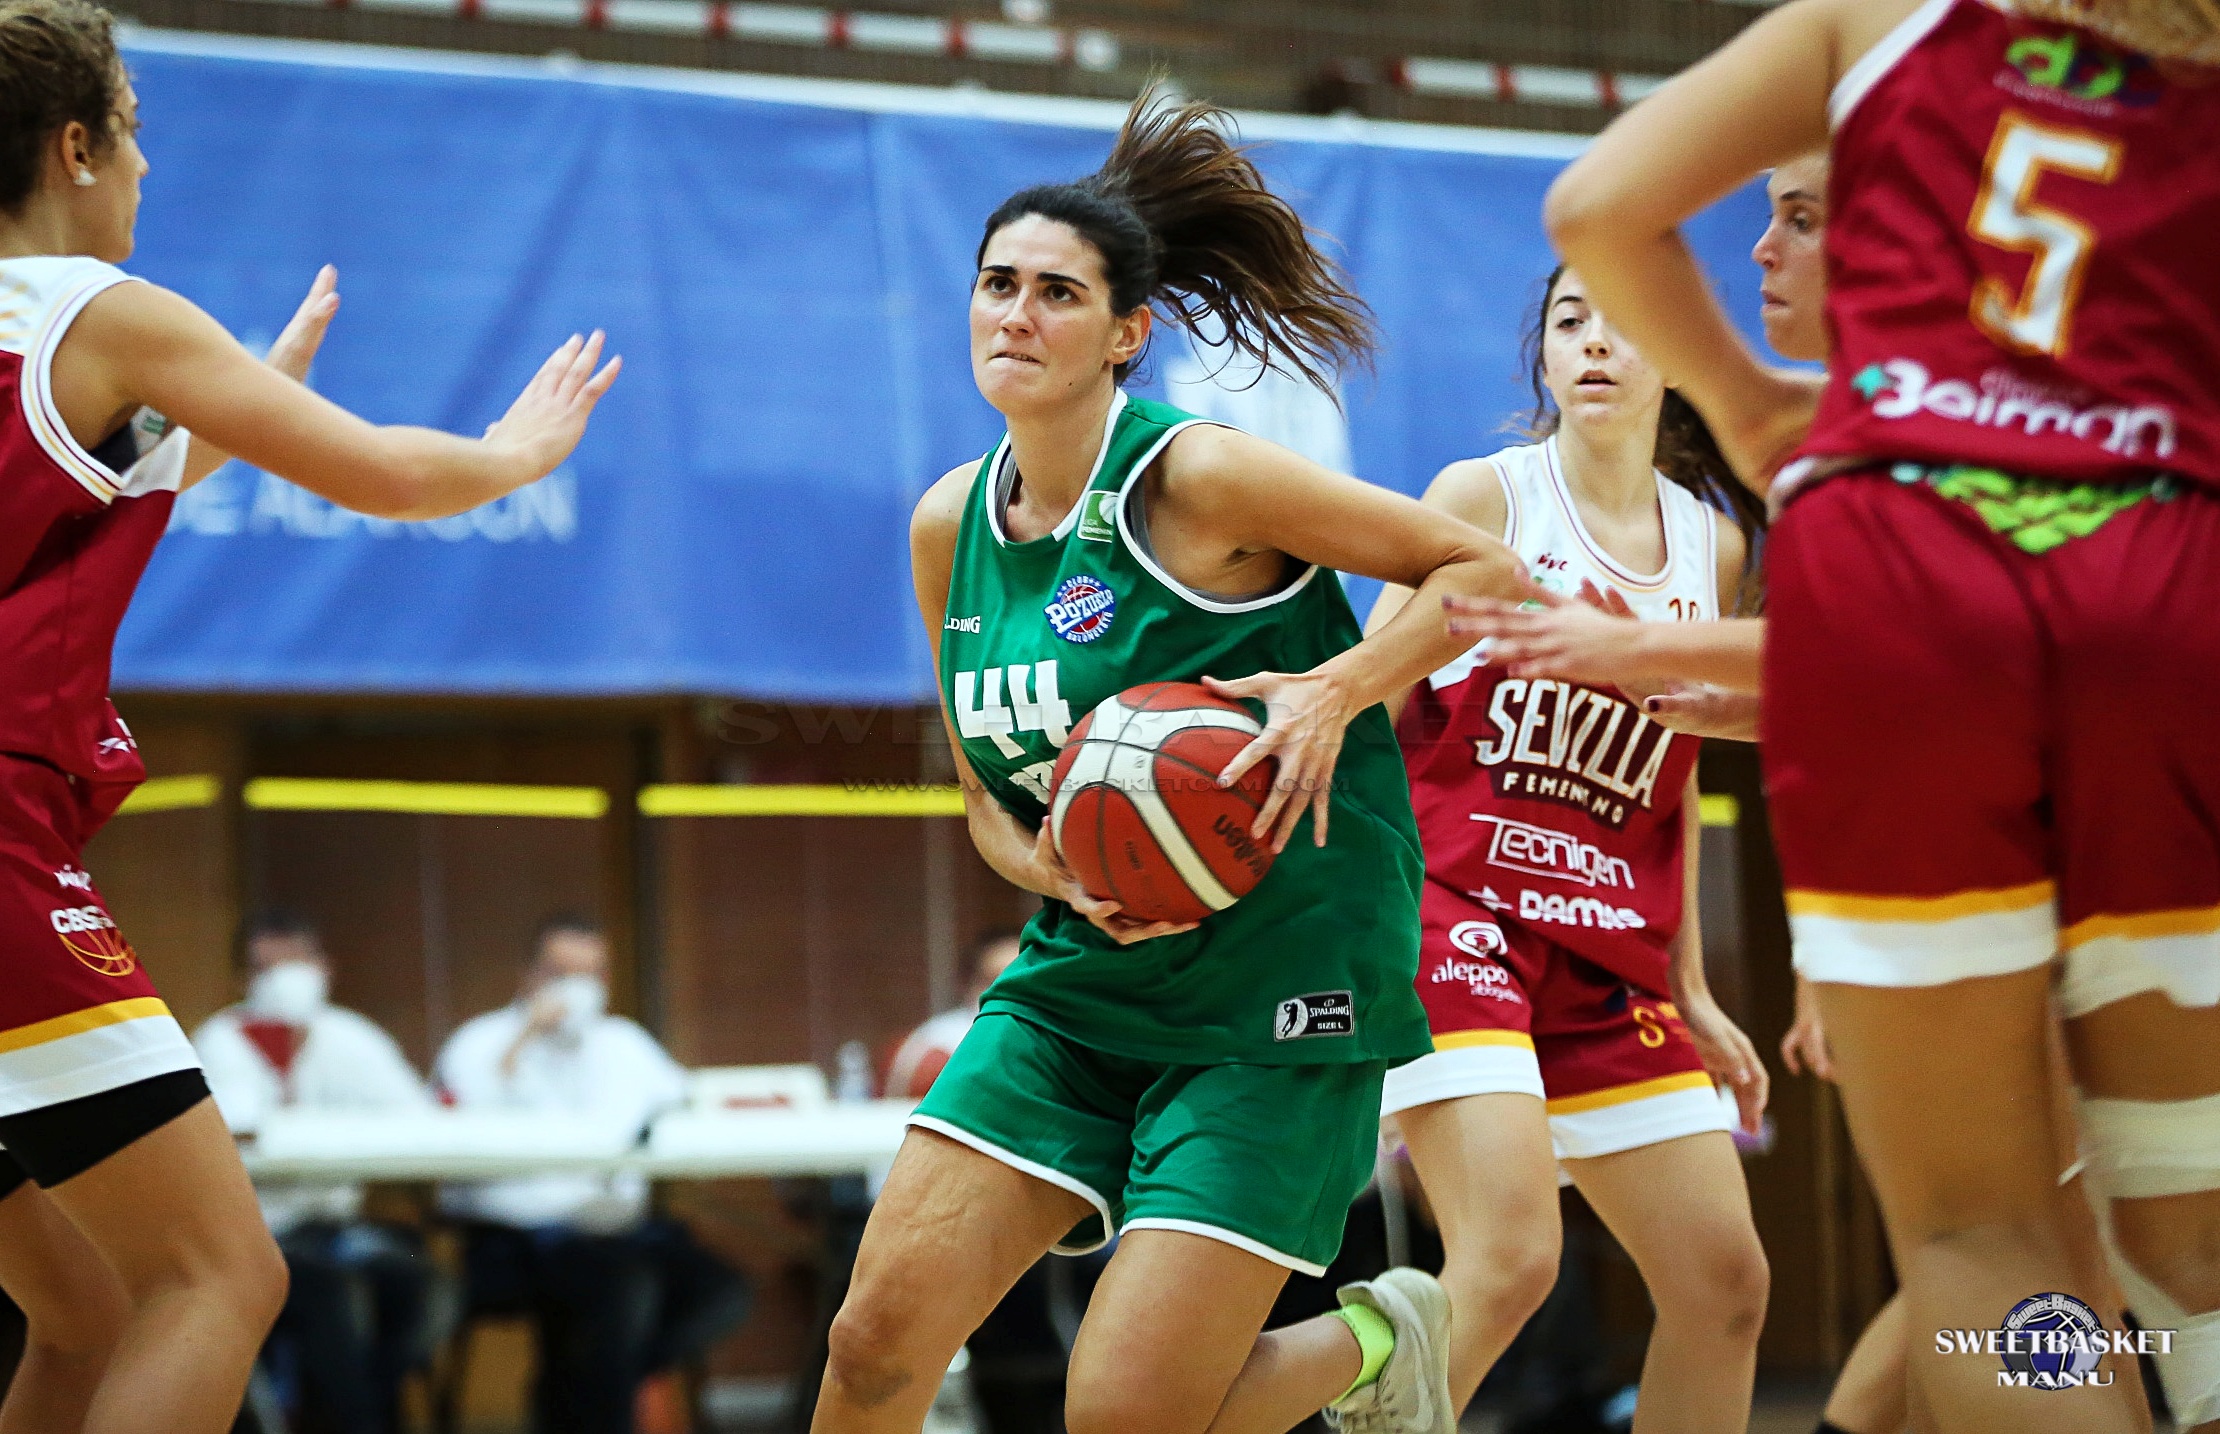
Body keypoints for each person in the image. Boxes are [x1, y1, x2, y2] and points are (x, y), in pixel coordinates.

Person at [1542, 0, 2220, 1428]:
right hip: (2164, 570)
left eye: (1801, 220)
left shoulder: (1880, 18)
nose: (1771, 251)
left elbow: (1597, 204)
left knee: (1983, 1237)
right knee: (2186, 1249)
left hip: (1904, 565)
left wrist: (1747, 407)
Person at [827, 89, 1530, 1434]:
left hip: (1282, 978)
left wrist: (1334, 689)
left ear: (1126, 333)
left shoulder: (1196, 478)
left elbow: (1484, 570)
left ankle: (1387, 1335)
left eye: (1057, 293)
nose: (1016, 314)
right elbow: (983, 793)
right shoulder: (947, 527)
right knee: (872, 1343)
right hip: (1085, 977)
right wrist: (1056, 868)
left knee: (1127, 1413)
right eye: (997, 284)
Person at [0, 2, 618, 1428]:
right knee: (219, 1278)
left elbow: (89, 486)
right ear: (74, 146)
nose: (145, 166)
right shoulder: (99, 311)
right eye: (132, 133)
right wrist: (511, 453)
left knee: (86, 1310)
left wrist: (244, 401)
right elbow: (387, 475)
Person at [1369, 266, 1772, 1434]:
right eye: (1569, 320)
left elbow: (1674, 776)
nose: (1596, 342)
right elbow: (1367, 712)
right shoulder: (1484, 499)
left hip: (1609, 952)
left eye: (1625, 321)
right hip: (1458, 917)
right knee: (1506, 1260)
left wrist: (1691, 987)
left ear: (1676, 358)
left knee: (1725, 1285)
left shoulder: (1712, 548)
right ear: (1542, 356)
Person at [436, 917, 750, 1434]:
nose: (578, 988)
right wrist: (525, 1038)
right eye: (560, 973)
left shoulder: (623, 1042)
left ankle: (579, 1394)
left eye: (592, 974)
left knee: (717, 1289)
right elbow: (458, 1127)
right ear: (529, 975)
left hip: (614, 1230)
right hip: (515, 1239)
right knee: (624, 1289)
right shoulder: (482, 1041)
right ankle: (592, 1401)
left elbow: (689, 1103)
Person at [193, 912, 440, 1434]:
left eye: (298, 962)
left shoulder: (352, 1037)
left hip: (337, 1225)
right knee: (333, 1293)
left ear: (325, 967)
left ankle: (374, 1410)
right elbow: (239, 1133)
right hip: (264, 1233)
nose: (286, 978)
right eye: (269, 967)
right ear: (243, 978)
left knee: (420, 1284)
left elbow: (416, 1119)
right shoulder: (222, 1040)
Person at [885, 929, 1022, 1101]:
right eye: (995, 981)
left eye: (1020, 983)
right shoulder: (933, 1042)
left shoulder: (1049, 1034)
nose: (1010, 994)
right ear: (969, 984)